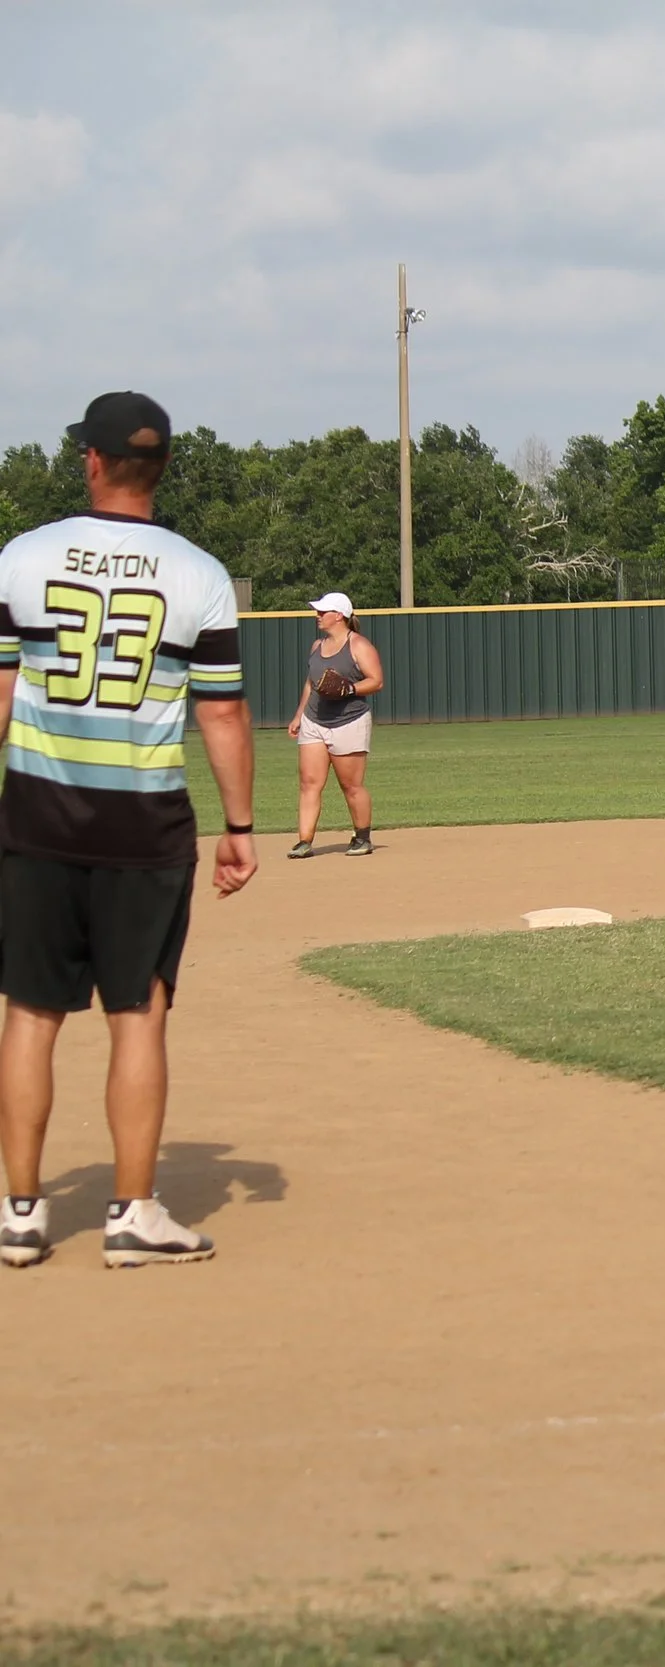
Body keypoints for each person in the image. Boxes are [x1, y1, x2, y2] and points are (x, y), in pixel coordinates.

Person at [0, 392, 257, 1270]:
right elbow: (221, 714)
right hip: (144, 823)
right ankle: (131, 1214)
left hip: (36, 812)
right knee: (137, 1012)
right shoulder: (199, 573)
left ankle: (23, 1213)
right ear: (162, 467)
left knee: (31, 1013)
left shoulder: (23, 558)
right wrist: (241, 826)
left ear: (92, 461)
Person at [285, 591, 383, 857]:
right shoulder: (317, 647)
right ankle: (304, 841)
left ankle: (362, 837)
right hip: (314, 720)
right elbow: (311, 683)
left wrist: (349, 689)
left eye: (322, 611)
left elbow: (376, 680)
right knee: (309, 783)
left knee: (350, 785)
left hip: (348, 722)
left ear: (339, 616)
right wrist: (298, 715)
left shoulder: (359, 645)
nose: (317, 615)